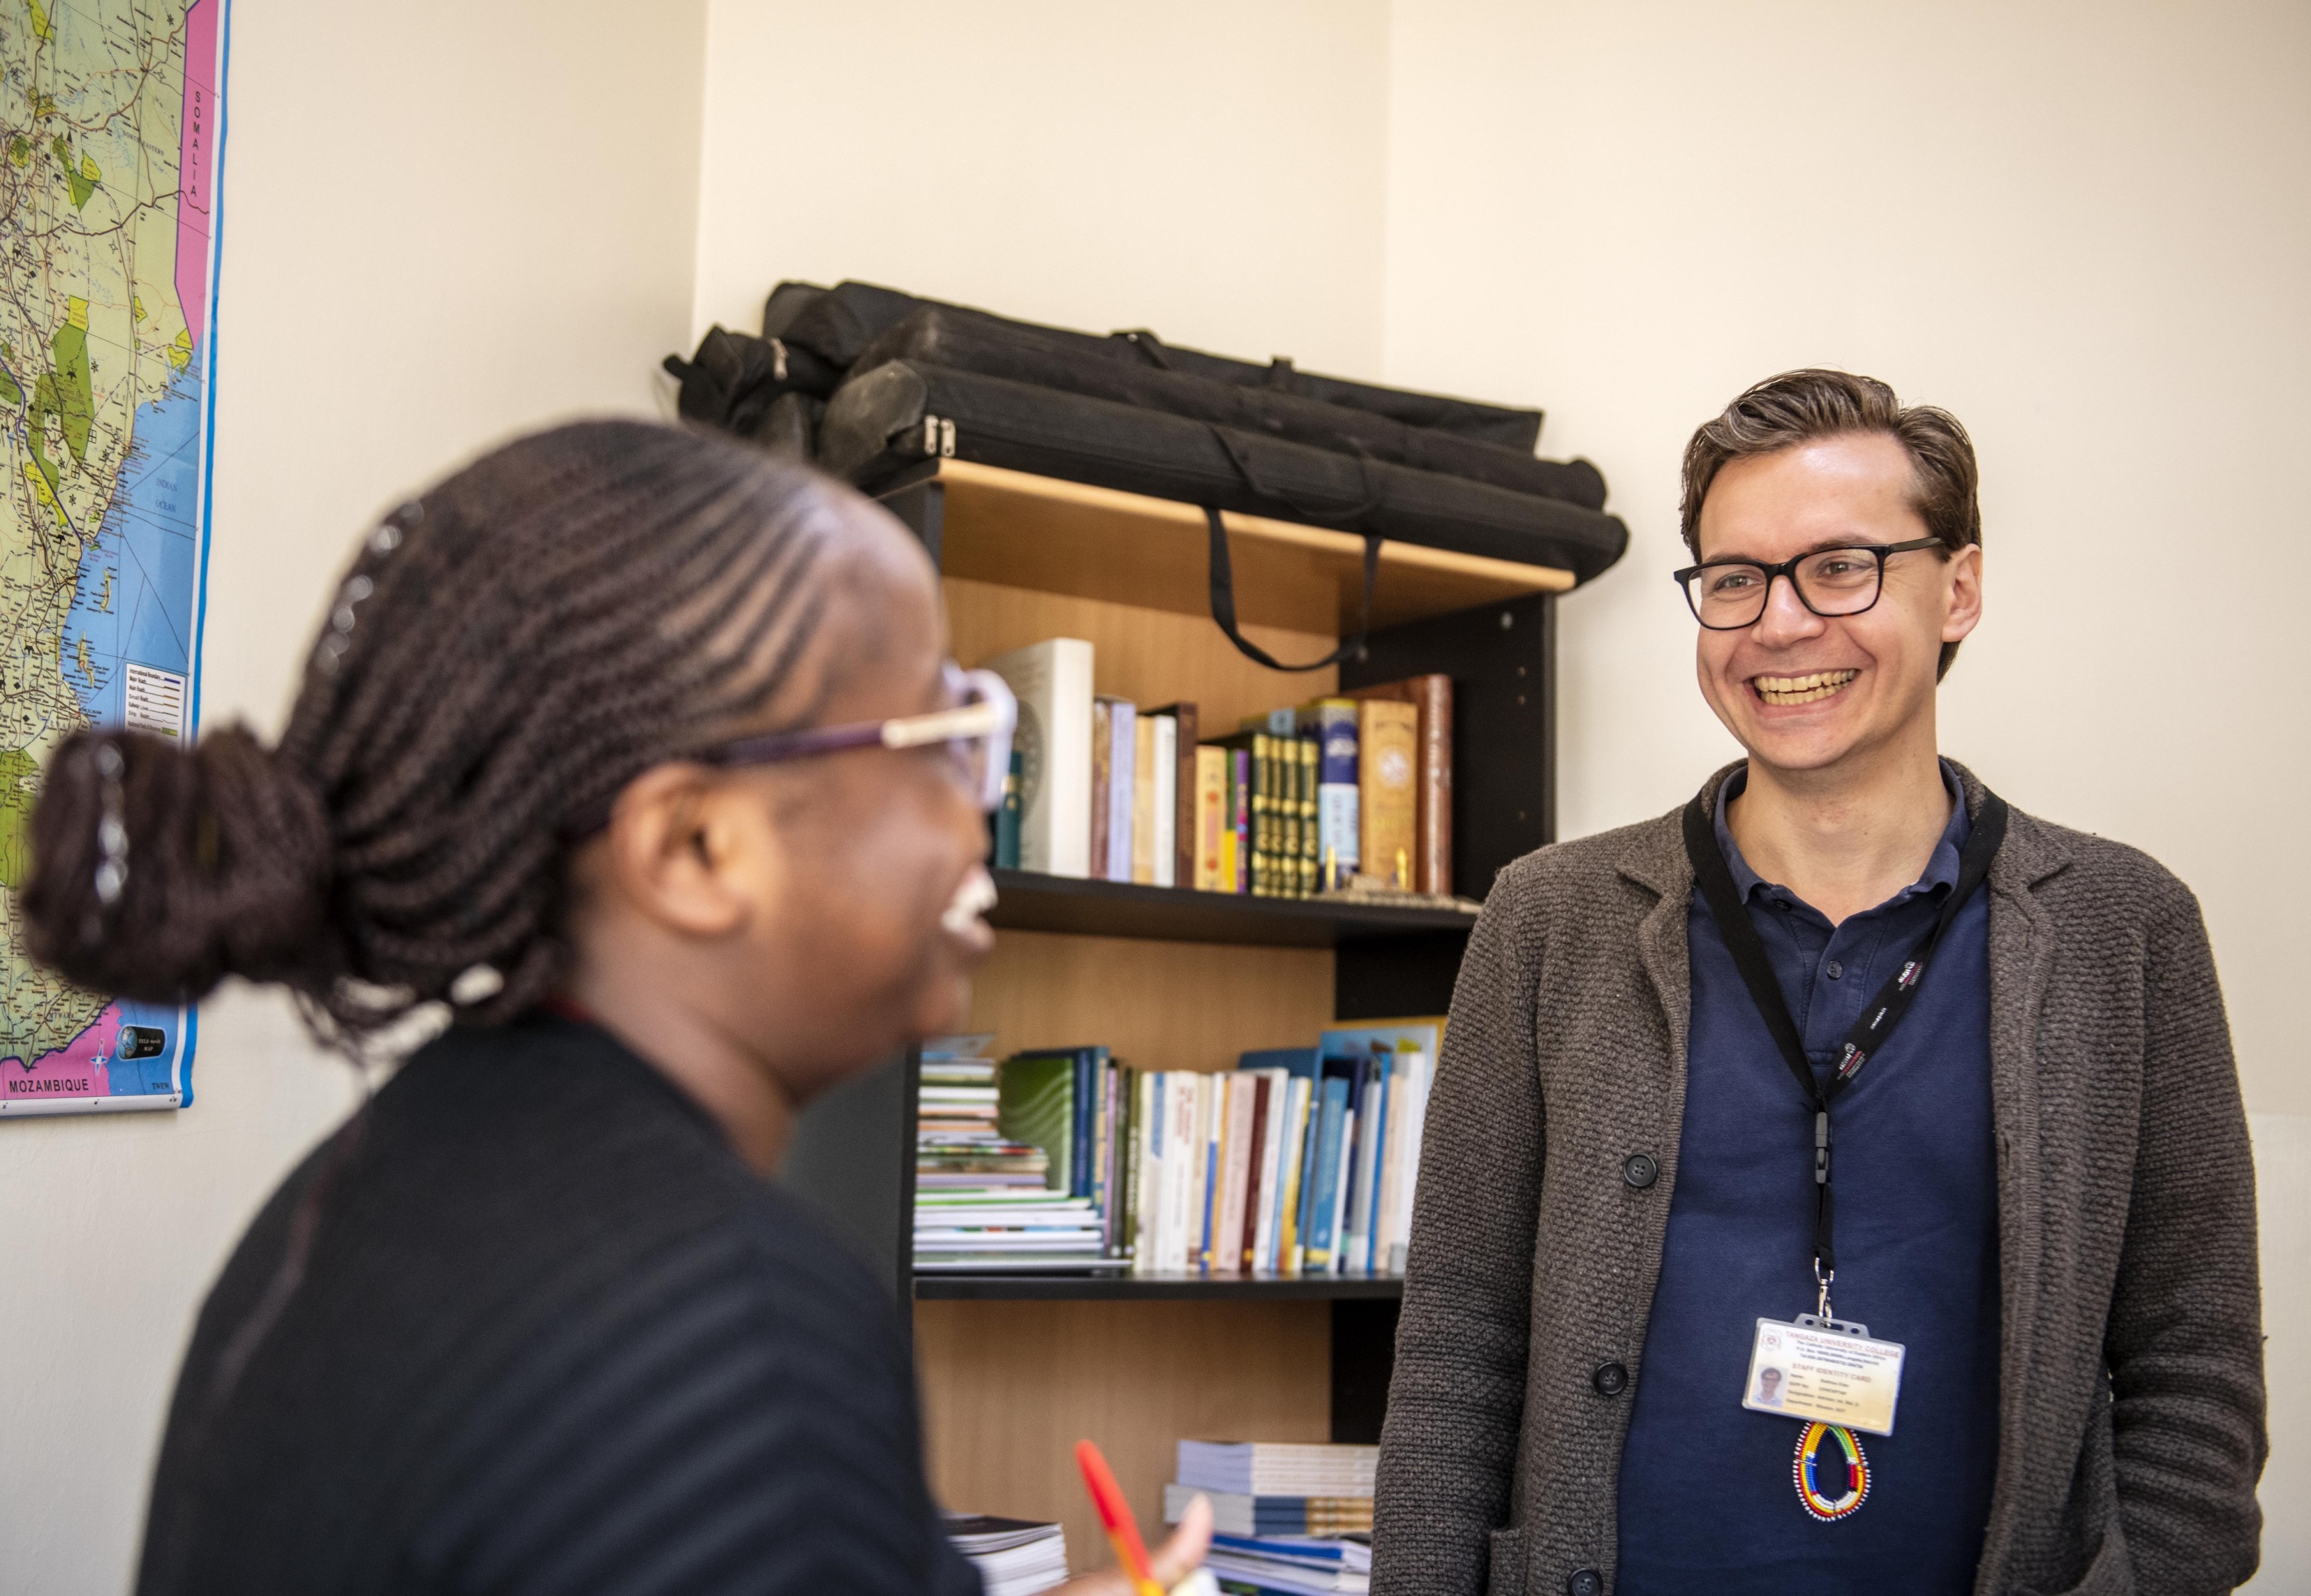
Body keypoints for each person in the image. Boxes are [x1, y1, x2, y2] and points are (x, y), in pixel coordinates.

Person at [23, 420, 1212, 1596]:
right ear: (694, 846)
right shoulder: (736, 1331)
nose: (976, 811)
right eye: (947, 738)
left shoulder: (392, 1171)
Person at [1371, 371, 2265, 1596]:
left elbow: (2194, 1373)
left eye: (1841, 565)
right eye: (1734, 579)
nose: (1781, 625)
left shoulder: (2124, 929)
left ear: (1960, 587)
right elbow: (1458, 1349)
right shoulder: (1551, 917)